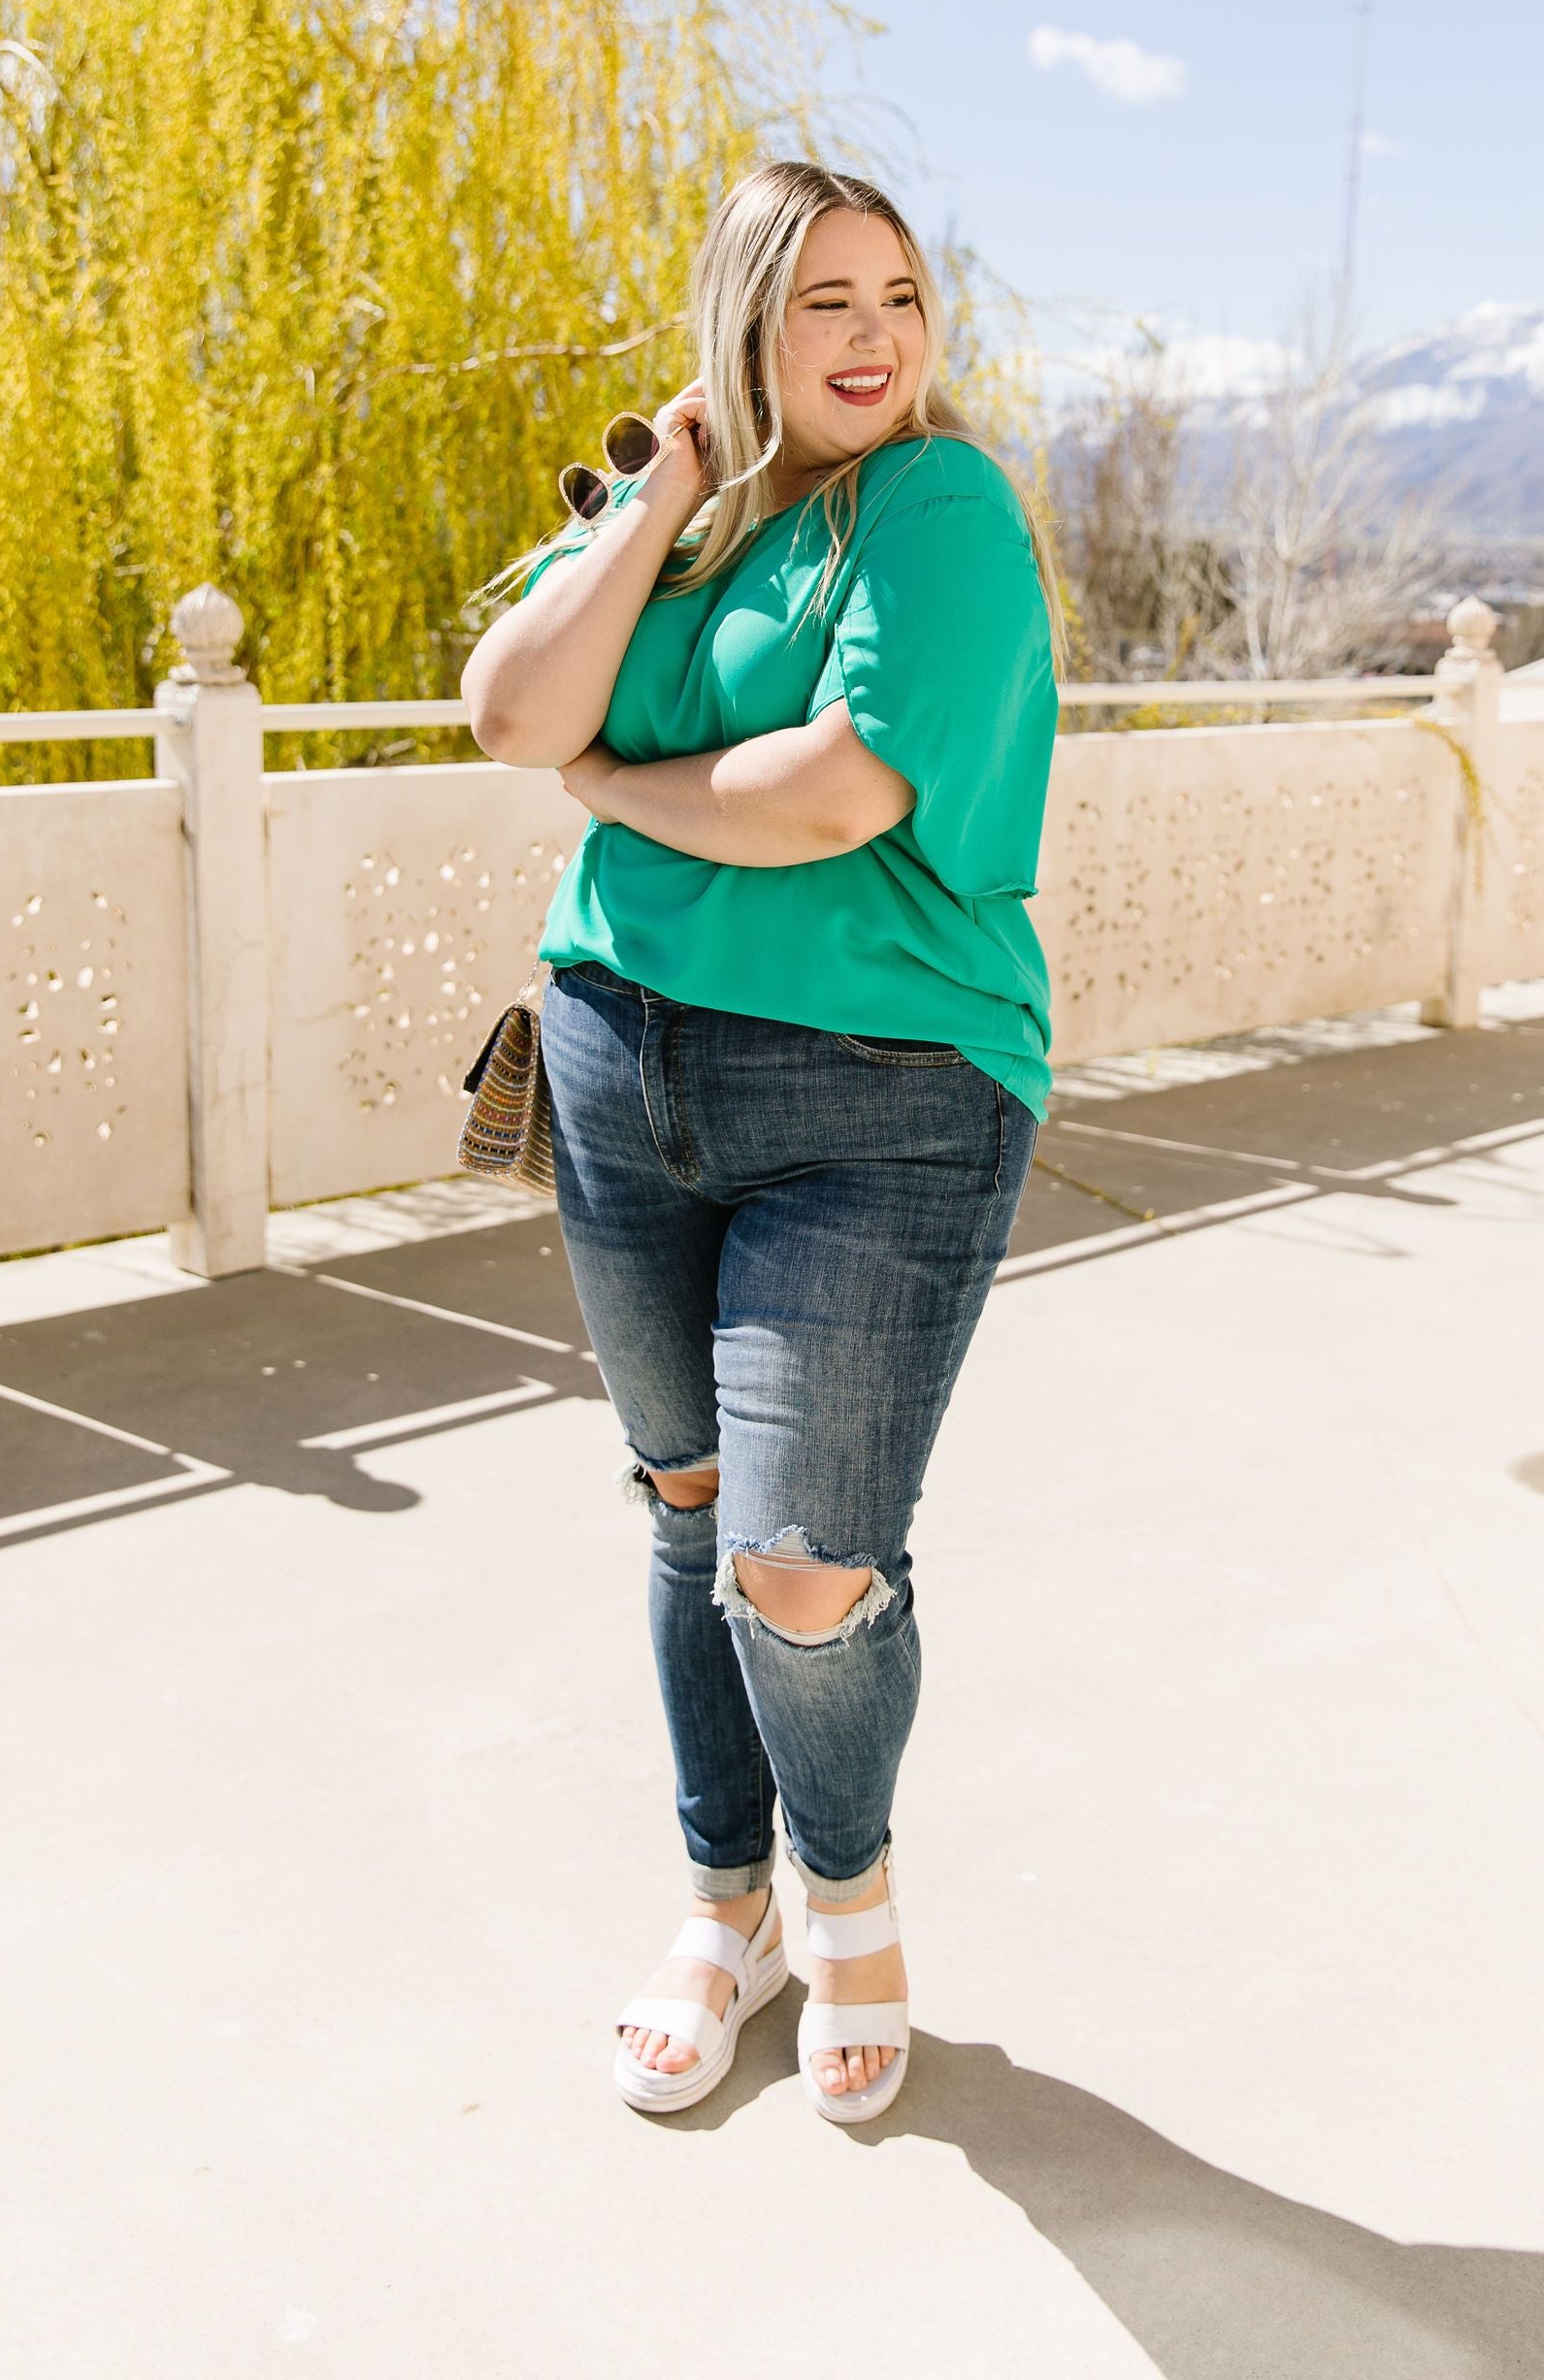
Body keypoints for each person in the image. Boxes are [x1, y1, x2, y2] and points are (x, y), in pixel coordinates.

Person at [462, 161, 1061, 2125]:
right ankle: (724, 1911)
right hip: (625, 1057)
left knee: (804, 1566)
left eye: (899, 292)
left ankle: (848, 1888)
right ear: (742, 324)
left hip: (886, 1097)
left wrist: (614, 788)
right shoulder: (696, 522)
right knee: (690, 1506)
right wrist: (653, 503)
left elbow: (835, 794)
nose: (875, 335)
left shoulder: (941, 505)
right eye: (822, 301)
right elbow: (507, 708)